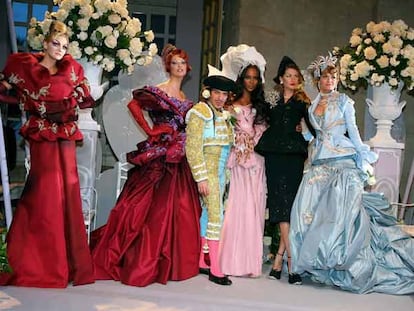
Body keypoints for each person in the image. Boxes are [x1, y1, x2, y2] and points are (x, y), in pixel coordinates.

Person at [289, 53, 414, 295]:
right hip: (317, 163)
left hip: (341, 161)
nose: (330, 81)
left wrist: (363, 156)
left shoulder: (344, 102)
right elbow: (310, 136)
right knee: (306, 212)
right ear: (318, 80)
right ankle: (315, 264)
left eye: (333, 77)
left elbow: (353, 133)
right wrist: (302, 130)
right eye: (325, 77)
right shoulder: (312, 105)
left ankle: (339, 262)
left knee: (337, 214)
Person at [91, 45, 202, 287]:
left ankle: (173, 261)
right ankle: (144, 259)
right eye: (175, 63)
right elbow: (133, 104)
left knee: (179, 206)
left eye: (183, 63)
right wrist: (151, 130)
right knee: (149, 206)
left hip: (180, 157)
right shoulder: (158, 91)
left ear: (187, 67)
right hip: (161, 154)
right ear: (168, 67)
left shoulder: (186, 99)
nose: (180, 67)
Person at [0, 20, 95, 288]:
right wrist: (26, 100)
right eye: (56, 43)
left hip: (64, 138)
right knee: (44, 193)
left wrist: (65, 104)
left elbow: (85, 97)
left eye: (65, 46)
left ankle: (67, 266)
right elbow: (6, 87)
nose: (60, 49)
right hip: (42, 137)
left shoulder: (72, 70)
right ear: (45, 43)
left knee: (67, 193)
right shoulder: (26, 68)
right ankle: (36, 265)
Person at [255, 56, 314, 285]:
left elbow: (314, 130)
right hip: (273, 156)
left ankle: (284, 258)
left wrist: (307, 135)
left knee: (289, 207)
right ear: (280, 78)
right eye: (288, 76)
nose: (292, 79)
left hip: (293, 159)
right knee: (279, 205)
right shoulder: (271, 99)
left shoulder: (303, 103)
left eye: (295, 76)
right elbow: (257, 118)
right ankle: (289, 259)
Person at [217, 45, 268, 277]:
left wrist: (253, 140)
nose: (251, 81)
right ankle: (231, 262)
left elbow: (265, 132)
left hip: (257, 162)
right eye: (247, 77)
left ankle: (250, 264)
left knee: (255, 209)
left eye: (255, 78)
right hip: (238, 160)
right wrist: (239, 140)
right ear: (241, 78)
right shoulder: (229, 104)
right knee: (237, 207)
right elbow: (223, 130)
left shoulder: (263, 107)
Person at [185, 74, 236, 285]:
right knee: (216, 217)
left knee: (208, 214)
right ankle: (216, 268)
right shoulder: (200, 112)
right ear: (208, 92)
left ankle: (202, 261)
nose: (220, 98)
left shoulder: (223, 114)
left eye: (224, 94)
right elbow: (193, 147)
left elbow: (226, 148)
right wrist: (200, 178)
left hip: (220, 172)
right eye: (217, 93)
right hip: (208, 171)